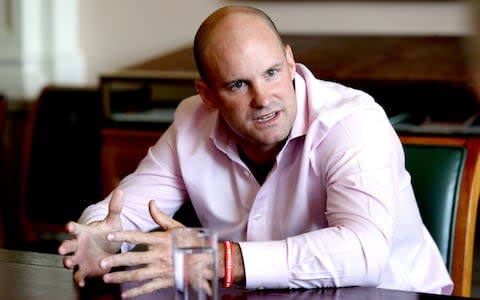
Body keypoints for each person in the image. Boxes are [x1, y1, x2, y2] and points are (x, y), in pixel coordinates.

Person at [58, 5, 453, 299]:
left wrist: (225, 261)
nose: (263, 99)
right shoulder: (190, 122)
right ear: (207, 95)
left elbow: (366, 253)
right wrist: (101, 237)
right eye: (237, 85)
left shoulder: (353, 122)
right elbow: (122, 211)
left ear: (290, 60)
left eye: (271, 73)